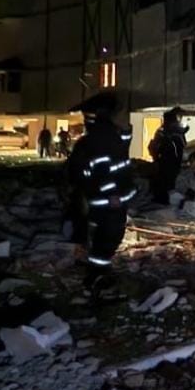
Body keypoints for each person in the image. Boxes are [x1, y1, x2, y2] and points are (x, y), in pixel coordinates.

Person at [68, 92, 136, 292]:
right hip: (108, 201)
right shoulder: (100, 138)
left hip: (111, 199)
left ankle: (98, 271)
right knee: (106, 237)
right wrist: (112, 194)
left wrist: (126, 128)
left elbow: (122, 146)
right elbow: (101, 169)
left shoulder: (108, 135)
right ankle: (97, 277)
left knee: (108, 237)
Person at [149, 108, 187, 204]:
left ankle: (164, 200)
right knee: (167, 183)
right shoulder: (167, 132)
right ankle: (164, 200)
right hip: (168, 162)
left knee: (166, 182)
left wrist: (156, 158)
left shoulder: (166, 132)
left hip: (168, 162)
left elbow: (153, 147)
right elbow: (154, 147)